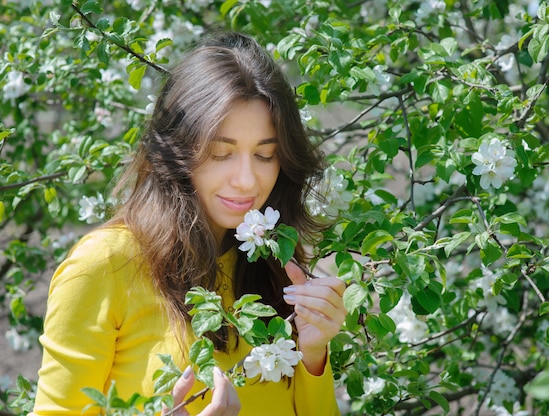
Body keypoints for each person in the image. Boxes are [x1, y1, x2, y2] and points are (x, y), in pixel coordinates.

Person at [32, 31, 347, 416]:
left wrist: (314, 353)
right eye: (220, 153)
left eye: (265, 156)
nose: (247, 180)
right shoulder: (105, 266)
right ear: (179, 148)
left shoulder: (275, 263)